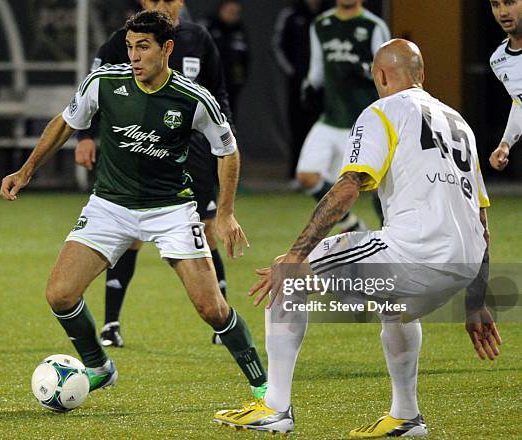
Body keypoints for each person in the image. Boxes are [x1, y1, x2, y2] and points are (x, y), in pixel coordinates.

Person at [214, 39, 502, 437]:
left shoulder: (382, 111)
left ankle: (275, 407)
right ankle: (406, 417)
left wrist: (298, 254)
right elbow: (481, 218)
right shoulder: (459, 123)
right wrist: (476, 302)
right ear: (423, 75)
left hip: (416, 255)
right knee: (394, 303)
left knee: (287, 275)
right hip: (463, 266)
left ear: (380, 75)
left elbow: (348, 187)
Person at [0, 10, 267, 400]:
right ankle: (98, 367)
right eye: (129, 47)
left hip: (171, 211)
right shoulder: (105, 83)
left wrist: (224, 213)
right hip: (110, 206)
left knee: (212, 309)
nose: (134, 56)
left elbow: (228, 151)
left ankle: (262, 386)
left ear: (167, 48)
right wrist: (25, 171)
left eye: (143, 47)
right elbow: (64, 122)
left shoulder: (194, 99)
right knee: (60, 294)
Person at [75, 0, 234, 348]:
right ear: (145, 3)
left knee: (206, 233)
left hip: (194, 151)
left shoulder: (198, 38)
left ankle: (222, 320)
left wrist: (225, 137)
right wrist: (85, 136)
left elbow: (218, 92)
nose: (164, 4)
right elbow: (92, 90)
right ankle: (111, 324)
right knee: (129, 235)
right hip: (140, 150)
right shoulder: (123, 41)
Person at [298, 0, 390, 229]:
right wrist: (309, 87)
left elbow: (388, 71)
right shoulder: (321, 24)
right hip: (331, 117)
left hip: (366, 121)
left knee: (380, 187)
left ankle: (390, 236)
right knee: (307, 175)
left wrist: (363, 70)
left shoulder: (372, 25)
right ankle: (352, 225)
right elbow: (317, 69)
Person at [272, 0, 325, 182]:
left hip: (325, 87)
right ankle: (296, 173)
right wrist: (294, 73)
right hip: (297, 84)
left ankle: (322, 174)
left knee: (322, 129)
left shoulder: (328, 16)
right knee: (298, 128)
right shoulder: (291, 15)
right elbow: (278, 46)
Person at [201, 0, 250, 119]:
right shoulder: (206, 26)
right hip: (205, 86)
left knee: (227, 120)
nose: (233, 15)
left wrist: (239, 81)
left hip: (229, 88)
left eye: (236, 12)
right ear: (221, 9)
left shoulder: (239, 31)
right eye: (230, 11)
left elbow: (245, 59)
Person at [488, 0, 522, 171]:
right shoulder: (498, 60)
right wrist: (505, 143)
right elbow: (520, 103)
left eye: (509, 3)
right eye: (495, 4)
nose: (502, 12)